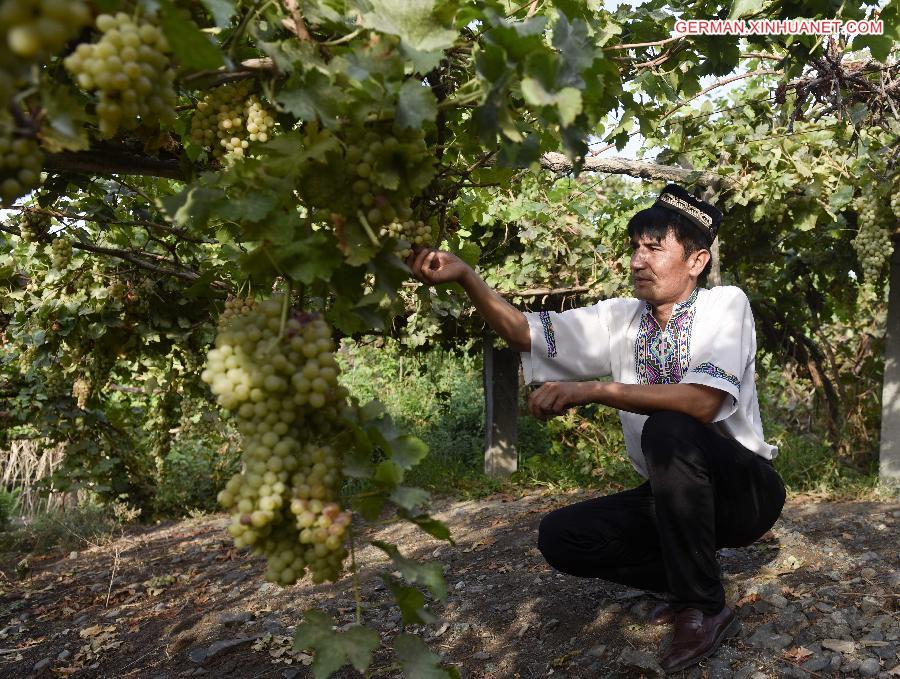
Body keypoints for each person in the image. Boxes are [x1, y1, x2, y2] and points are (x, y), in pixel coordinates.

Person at [406, 184, 786, 674]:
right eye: (635, 248)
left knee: (668, 427)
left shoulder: (725, 305)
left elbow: (703, 400)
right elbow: (526, 332)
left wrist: (595, 390)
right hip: (674, 496)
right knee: (562, 536)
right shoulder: (621, 318)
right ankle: (689, 578)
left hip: (743, 491)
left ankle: (704, 607)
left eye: (654, 248)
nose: (637, 261)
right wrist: (466, 278)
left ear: (696, 262)